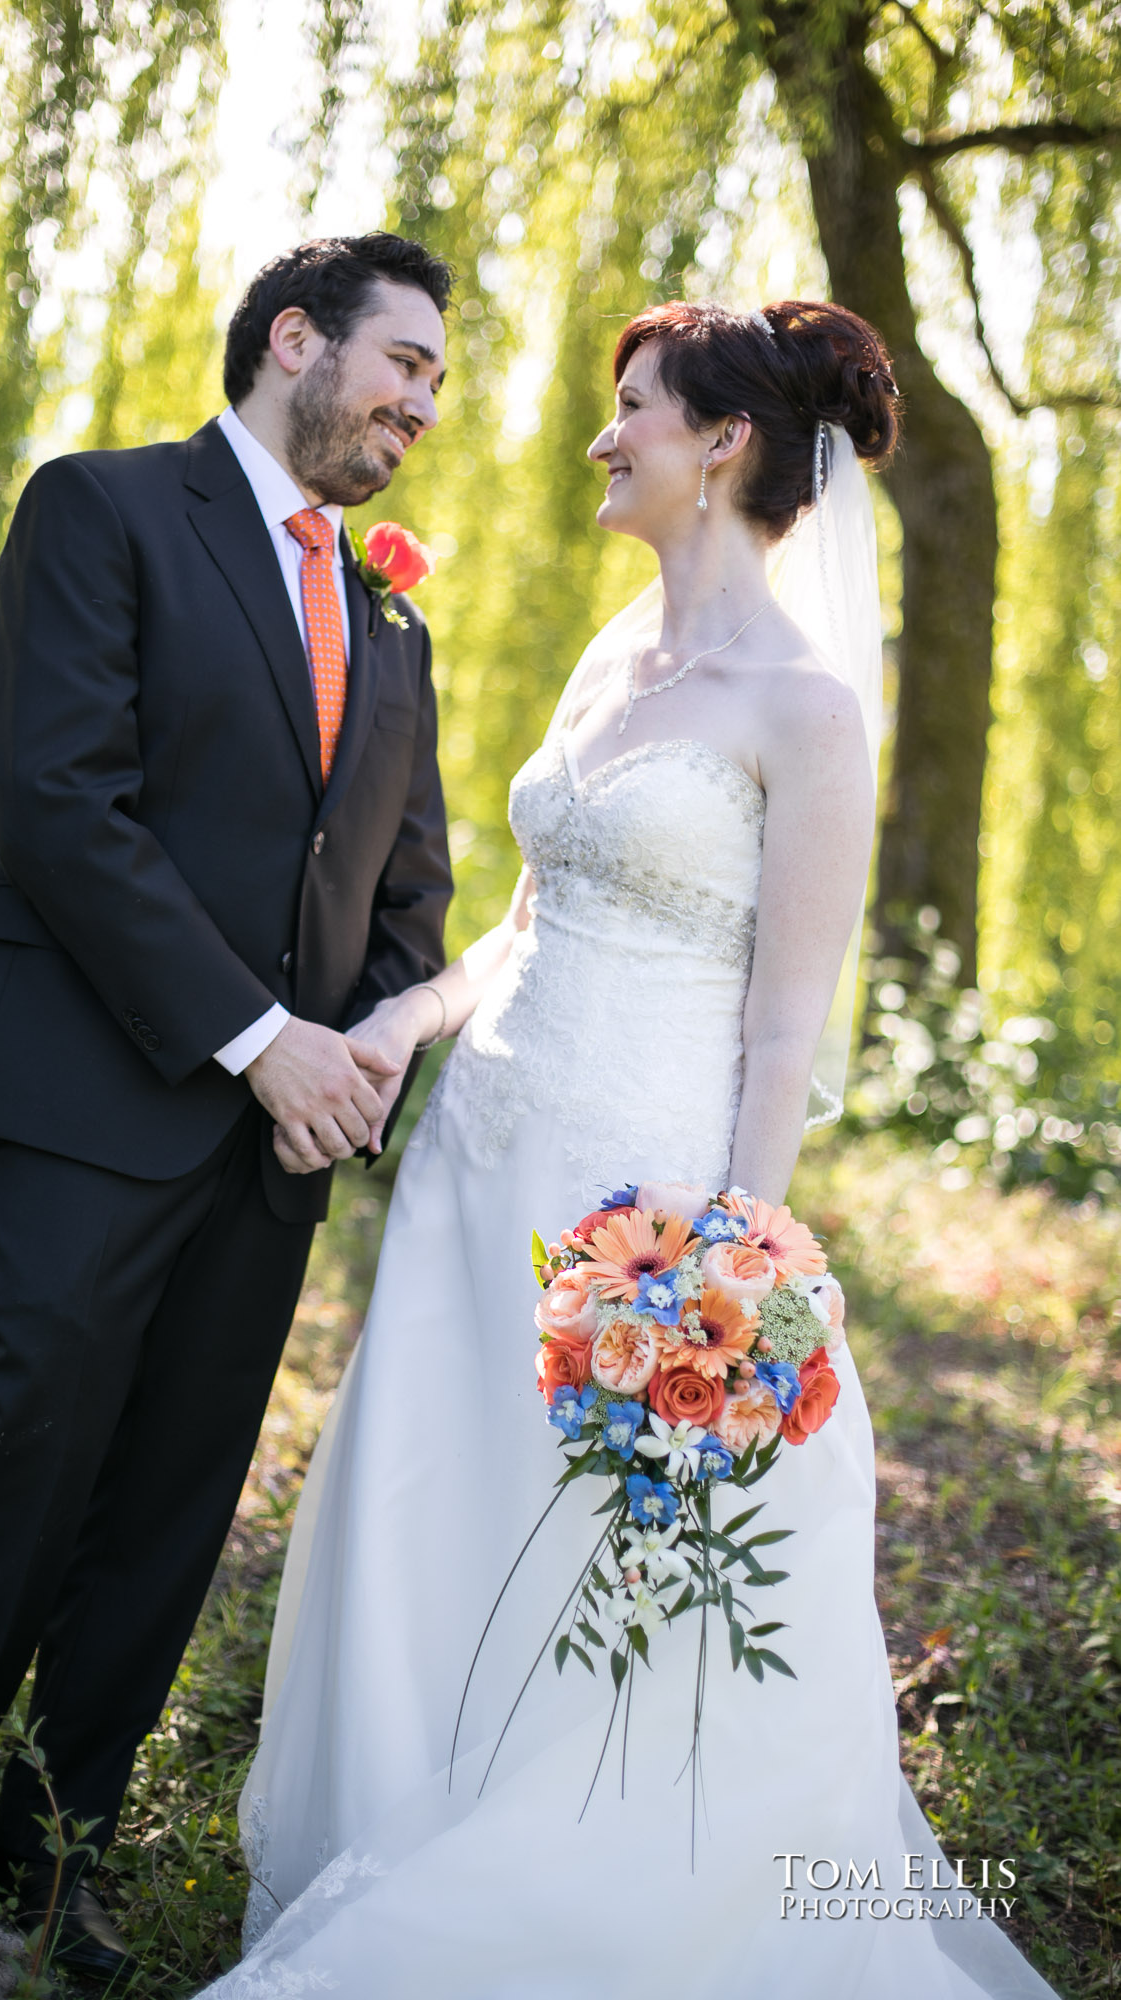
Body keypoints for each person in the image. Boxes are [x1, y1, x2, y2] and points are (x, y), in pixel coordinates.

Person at [212, 301, 1061, 1998]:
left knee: (610, 1543)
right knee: (436, 1496)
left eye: (632, 410)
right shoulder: (612, 655)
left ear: (721, 443)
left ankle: (561, 1879)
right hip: (480, 1166)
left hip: (643, 1206)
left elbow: (784, 1028)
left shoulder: (806, 712)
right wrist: (393, 1029)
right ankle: (410, 1806)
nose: (603, 439)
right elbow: (521, 930)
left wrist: (733, 1264)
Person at [0, 232, 455, 1983]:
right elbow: (61, 801)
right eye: (402, 364)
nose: (421, 407)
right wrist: (260, 1037)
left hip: (274, 1151)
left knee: (174, 1507)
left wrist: (356, 1065)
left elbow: (404, 887)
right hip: (82, 1095)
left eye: (435, 386)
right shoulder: (99, 510)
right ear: (294, 340)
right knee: (27, 1461)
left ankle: (48, 1871)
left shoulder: (393, 618)